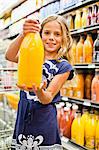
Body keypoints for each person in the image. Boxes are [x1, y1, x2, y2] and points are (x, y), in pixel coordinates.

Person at [5, 14, 74, 149]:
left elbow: (47, 98)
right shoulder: (31, 52)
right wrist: (23, 34)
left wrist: (38, 90)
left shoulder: (63, 66)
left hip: (44, 121)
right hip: (24, 117)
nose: (51, 38)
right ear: (40, 34)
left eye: (57, 34)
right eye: (47, 33)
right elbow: (10, 56)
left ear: (64, 38)